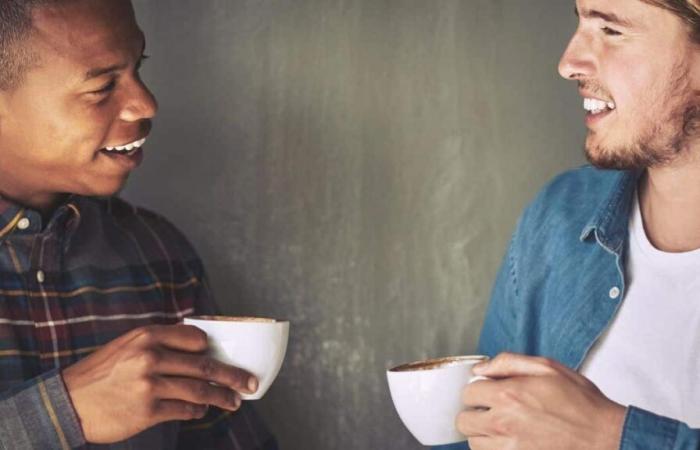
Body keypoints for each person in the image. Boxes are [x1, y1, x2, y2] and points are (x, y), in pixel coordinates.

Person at [0, 0, 276, 448]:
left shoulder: (159, 254)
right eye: (103, 86)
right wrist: (61, 413)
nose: (146, 103)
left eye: (137, 68)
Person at [437, 0, 700, 449]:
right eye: (579, 21)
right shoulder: (560, 216)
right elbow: (481, 426)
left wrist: (610, 435)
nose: (567, 63)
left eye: (612, 30)